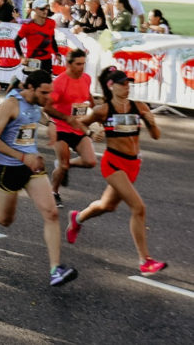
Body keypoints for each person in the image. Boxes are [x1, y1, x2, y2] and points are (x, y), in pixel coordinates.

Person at [0, 71, 78, 287]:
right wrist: (23, 157)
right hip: (8, 168)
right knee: (5, 219)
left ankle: (55, 269)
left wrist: (49, 123)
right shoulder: (11, 105)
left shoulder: (35, 102)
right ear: (30, 88)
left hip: (32, 168)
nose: (47, 97)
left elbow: (40, 114)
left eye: (49, 92)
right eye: (43, 92)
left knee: (51, 213)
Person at [66, 67, 166, 276]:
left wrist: (152, 121)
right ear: (112, 86)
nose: (127, 86)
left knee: (106, 206)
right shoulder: (103, 110)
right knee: (138, 208)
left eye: (129, 83)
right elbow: (77, 124)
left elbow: (156, 136)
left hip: (133, 165)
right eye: (123, 83)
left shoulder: (139, 106)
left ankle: (77, 218)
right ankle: (145, 261)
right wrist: (92, 133)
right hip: (113, 164)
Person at [47, 49, 96, 206]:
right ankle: (53, 192)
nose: (81, 67)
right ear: (68, 64)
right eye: (78, 64)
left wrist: (95, 112)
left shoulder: (86, 78)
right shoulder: (60, 82)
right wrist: (66, 117)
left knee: (90, 161)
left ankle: (67, 165)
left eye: (83, 63)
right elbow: (47, 107)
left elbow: (87, 95)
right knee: (63, 164)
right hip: (61, 128)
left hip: (78, 127)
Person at [16, 0, 58, 81]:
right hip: (32, 60)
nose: (45, 11)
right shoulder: (27, 26)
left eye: (46, 8)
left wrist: (57, 53)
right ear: (35, 9)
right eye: (42, 9)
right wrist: (22, 57)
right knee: (31, 85)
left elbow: (52, 39)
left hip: (47, 60)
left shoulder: (51, 23)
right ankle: (15, 85)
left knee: (46, 84)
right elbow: (16, 41)